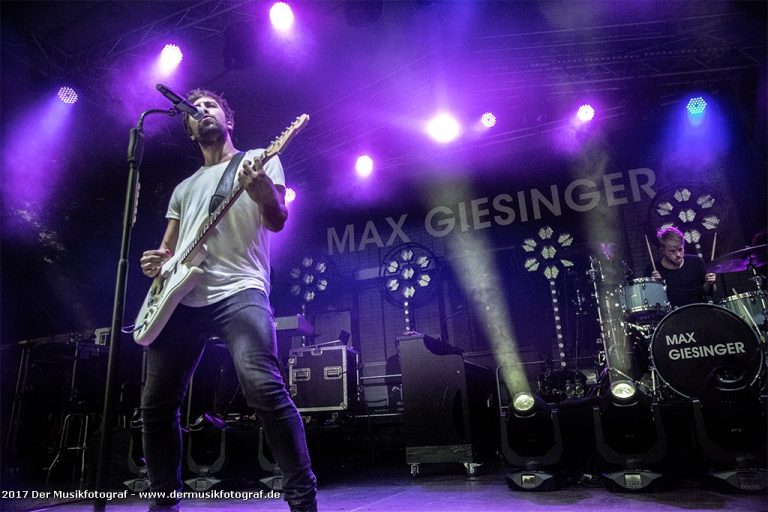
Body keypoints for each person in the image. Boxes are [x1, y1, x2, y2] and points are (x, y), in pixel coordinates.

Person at [138, 89, 317, 512]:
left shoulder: (260, 158)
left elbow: (277, 220)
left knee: (263, 388)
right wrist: (155, 261)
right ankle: (163, 504)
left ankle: (302, 499)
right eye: (194, 112)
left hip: (240, 288)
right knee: (155, 404)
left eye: (210, 106)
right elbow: (169, 249)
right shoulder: (183, 188)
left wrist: (261, 193)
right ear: (188, 129)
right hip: (180, 298)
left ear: (227, 119)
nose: (202, 112)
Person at [647, 225, 716, 307]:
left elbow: (709, 292)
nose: (678, 254)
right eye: (672, 251)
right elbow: (651, 303)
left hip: (700, 311)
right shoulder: (653, 269)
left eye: (680, 249)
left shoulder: (696, 261)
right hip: (672, 317)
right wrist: (654, 286)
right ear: (662, 250)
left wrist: (709, 284)